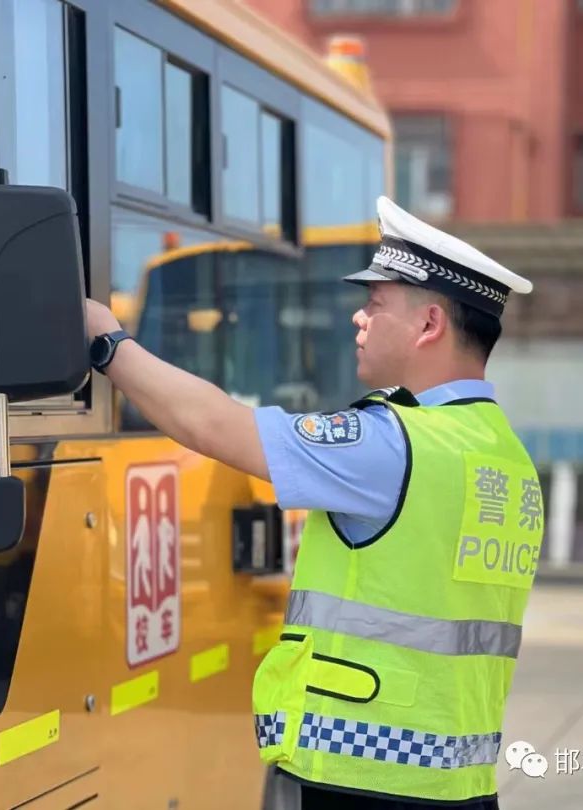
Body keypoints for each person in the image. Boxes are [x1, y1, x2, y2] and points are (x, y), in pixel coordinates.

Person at [85, 196, 544, 809]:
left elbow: (213, 425)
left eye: (375, 304)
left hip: (368, 781)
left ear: (429, 324)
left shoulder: (393, 443)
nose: (359, 317)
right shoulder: (506, 456)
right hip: (457, 783)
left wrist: (108, 343)